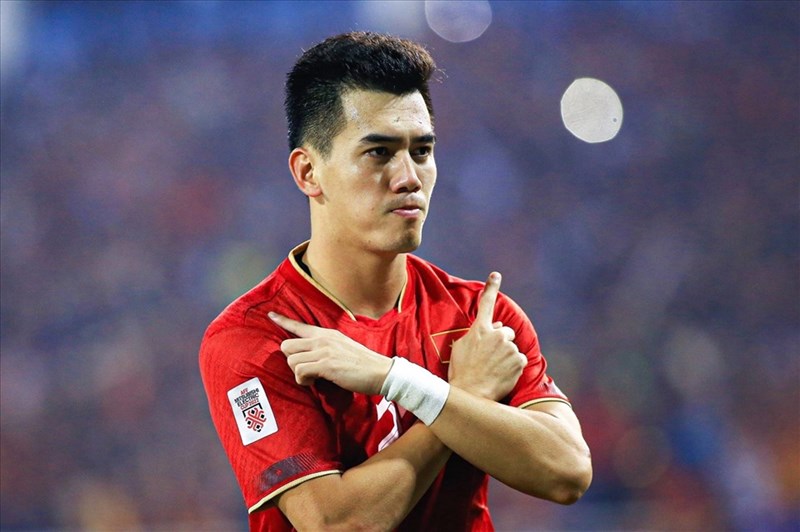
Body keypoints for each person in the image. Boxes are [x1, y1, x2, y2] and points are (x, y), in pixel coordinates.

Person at [199, 31, 592, 531]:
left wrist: (398, 380)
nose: (409, 177)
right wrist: (459, 393)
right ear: (308, 172)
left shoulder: (480, 320)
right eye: (379, 153)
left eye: (422, 151)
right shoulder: (254, 339)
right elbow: (337, 525)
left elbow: (568, 472)